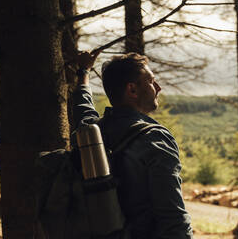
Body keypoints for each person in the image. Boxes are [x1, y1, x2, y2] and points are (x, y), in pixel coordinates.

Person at [72, 51, 193, 239]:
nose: (158, 87)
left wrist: (83, 73)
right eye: (151, 81)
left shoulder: (90, 133)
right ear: (132, 90)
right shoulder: (154, 138)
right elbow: (172, 215)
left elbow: (83, 109)